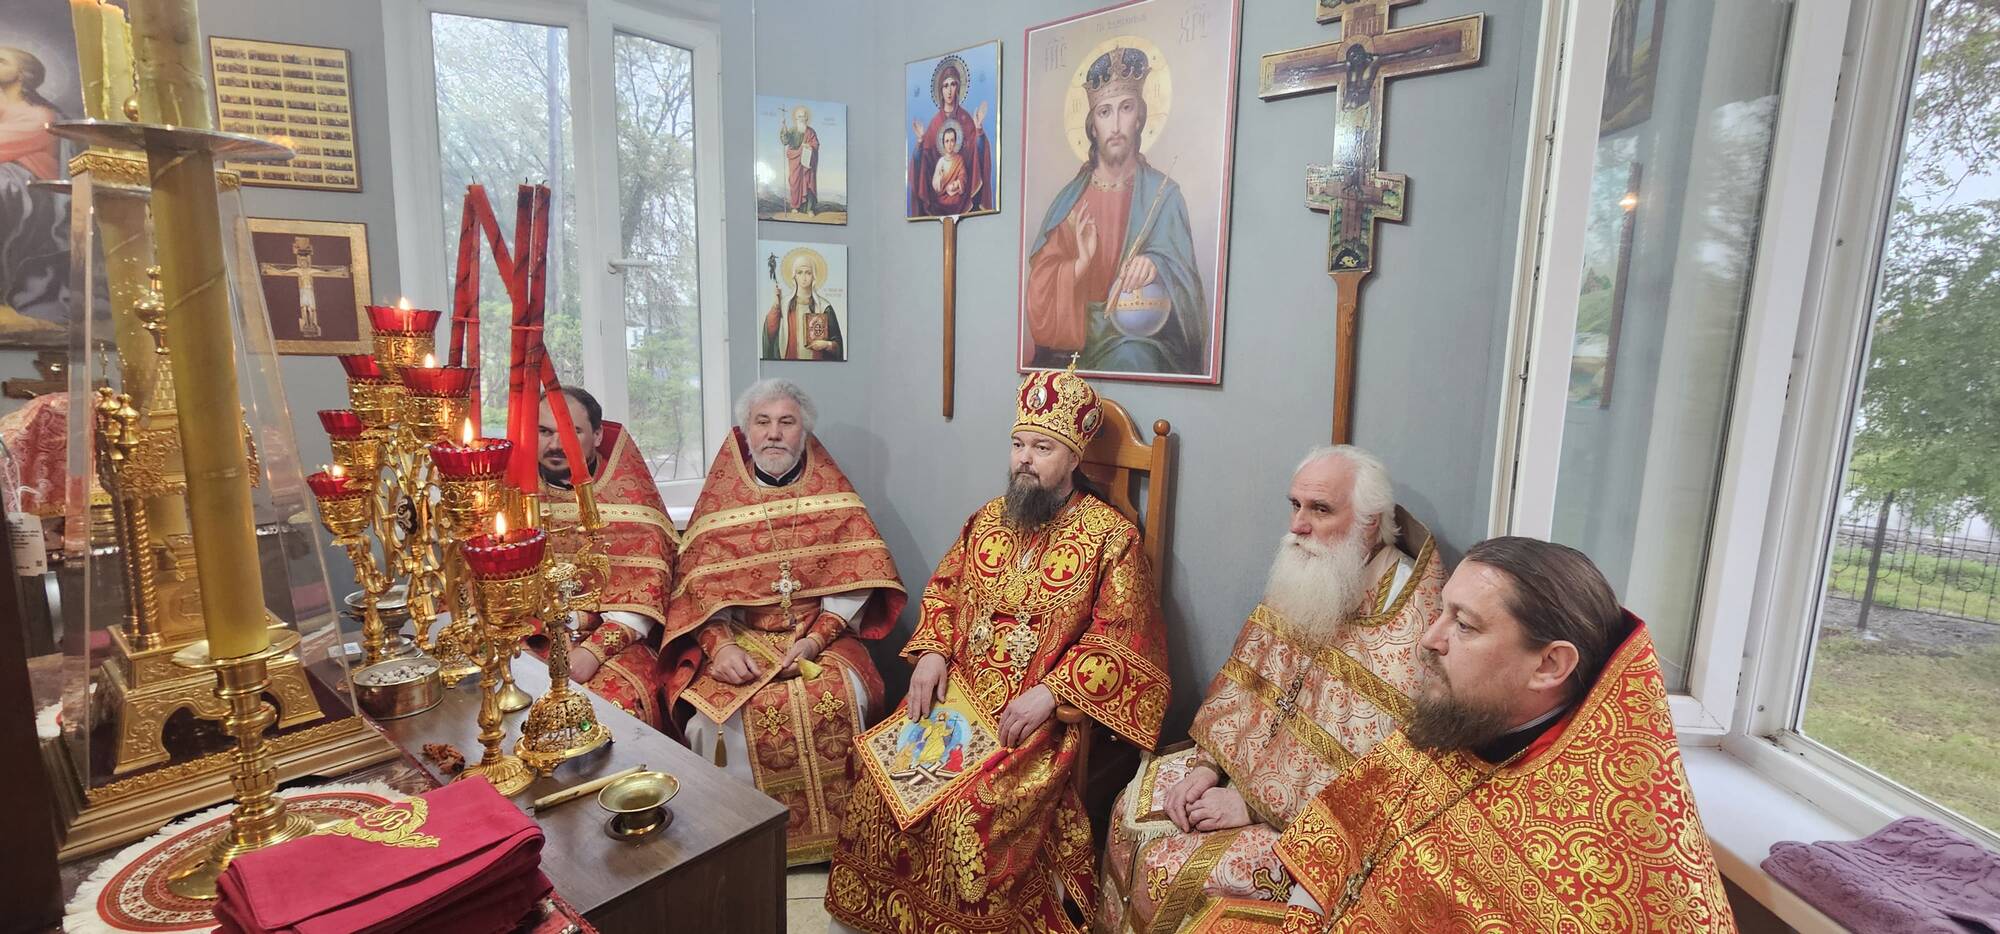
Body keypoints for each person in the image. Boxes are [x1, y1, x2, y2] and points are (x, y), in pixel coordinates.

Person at [1188, 537, 1736, 933]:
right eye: (1441, 612)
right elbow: (1342, 839)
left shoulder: (1613, 867)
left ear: (1549, 665)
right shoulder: (1459, 722)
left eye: (1464, 624)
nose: (1429, 639)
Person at [826, 362, 1171, 934]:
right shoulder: (987, 519)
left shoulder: (1113, 538)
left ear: (1075, 458)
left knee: (964, 814)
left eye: (1042, 447)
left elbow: (1121, 639)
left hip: (1032, 720)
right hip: (955, 698)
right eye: (1018, 445)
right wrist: (933, 651)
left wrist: (1051, 693)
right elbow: (944, 591)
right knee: (874, 775)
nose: (1024, 460)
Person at [1095, 446, 1444, 933]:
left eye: (1320, 509)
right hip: (1249, 770)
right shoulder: (1312, 570)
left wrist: (1251, 805)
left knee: (1167, 867)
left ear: (1369, 523)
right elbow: (1248, 683)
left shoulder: (1410, 619)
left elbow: (1379, 773)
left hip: (1317, 828)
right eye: (1295, 505)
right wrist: (1207, 766)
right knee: (1128, 810)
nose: (1298, 525)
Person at [665, 379, 905, 865]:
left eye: (786, 422)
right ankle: (738, 846)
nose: (774, 433)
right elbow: (696, 590)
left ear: (804, 432)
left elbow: (857, 578)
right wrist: (721, 647)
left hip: (821, 635)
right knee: (714, 719)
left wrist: (814, 642)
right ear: (746, 431)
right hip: (739, 636)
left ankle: (842, 842)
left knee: (844, 696)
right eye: (763, 421)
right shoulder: (721, 503)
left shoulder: (834, 498)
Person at [1026, 46, 1207, 376]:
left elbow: (1191, 301)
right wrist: (1079, 265)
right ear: (1092, 126)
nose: (1116, 125)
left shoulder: (1164, 196)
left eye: (1126, 108)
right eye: (1105, 112)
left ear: (1140, 118)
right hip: (1076, 339)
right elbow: (1040, 290)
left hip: (1139, 338)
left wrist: (1156, 264)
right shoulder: (1070, 201)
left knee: (1134, 358)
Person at [537, 386, 679, 730]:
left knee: (617, 709)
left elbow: (647, 590)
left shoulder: (630, 500)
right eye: (544, 432)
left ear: (597, 435)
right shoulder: (511, 498)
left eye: (571, 432)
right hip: (535, 638)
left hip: (616, 640)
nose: (555, 444)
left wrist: (593, 652)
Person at [908, 53, 992, 216]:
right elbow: (923, 163)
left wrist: (979, 130)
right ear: (940, 90)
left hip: (964, 198)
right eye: (945, 86)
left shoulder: (967, 119)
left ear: (958, 88)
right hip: (937, 200)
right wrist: (919, 141)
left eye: (953, 84)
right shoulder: (934, 124)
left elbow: (978, 155)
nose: (949, 90)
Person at [761, 250, 843, 360]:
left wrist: (826, 344)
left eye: (808, 273)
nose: (804, 277)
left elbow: (837, 344)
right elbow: (770, 332)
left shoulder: (824, 307)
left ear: (814, 276)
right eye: (800, 272)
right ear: (794, 276)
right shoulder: (785, 304)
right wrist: (776, 305)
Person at [781, 104, 819, 216]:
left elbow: (816, 144)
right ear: (796, 118)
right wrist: (784, 128)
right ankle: (795, 206)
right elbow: (785, 141)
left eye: (803, 116)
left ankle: (809, 209)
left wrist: (809, 146)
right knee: (794, 182)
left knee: (809, 183)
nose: (802, 118)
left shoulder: (811, 132)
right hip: (795, 160)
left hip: (807, 161)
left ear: (807, 118)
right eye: (799, 116)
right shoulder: (793, 130)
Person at [930, 122, 969, 213]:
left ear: (955, 142)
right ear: (943, 143)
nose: (949, 144)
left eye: (952, 140)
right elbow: (935, 184)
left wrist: (956, 184)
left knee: (957, 201)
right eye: (947, 141)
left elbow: (963, 177)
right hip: (941, 196)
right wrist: (940, 178)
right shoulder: (941, 161)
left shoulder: (959, 159)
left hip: (955, 195)